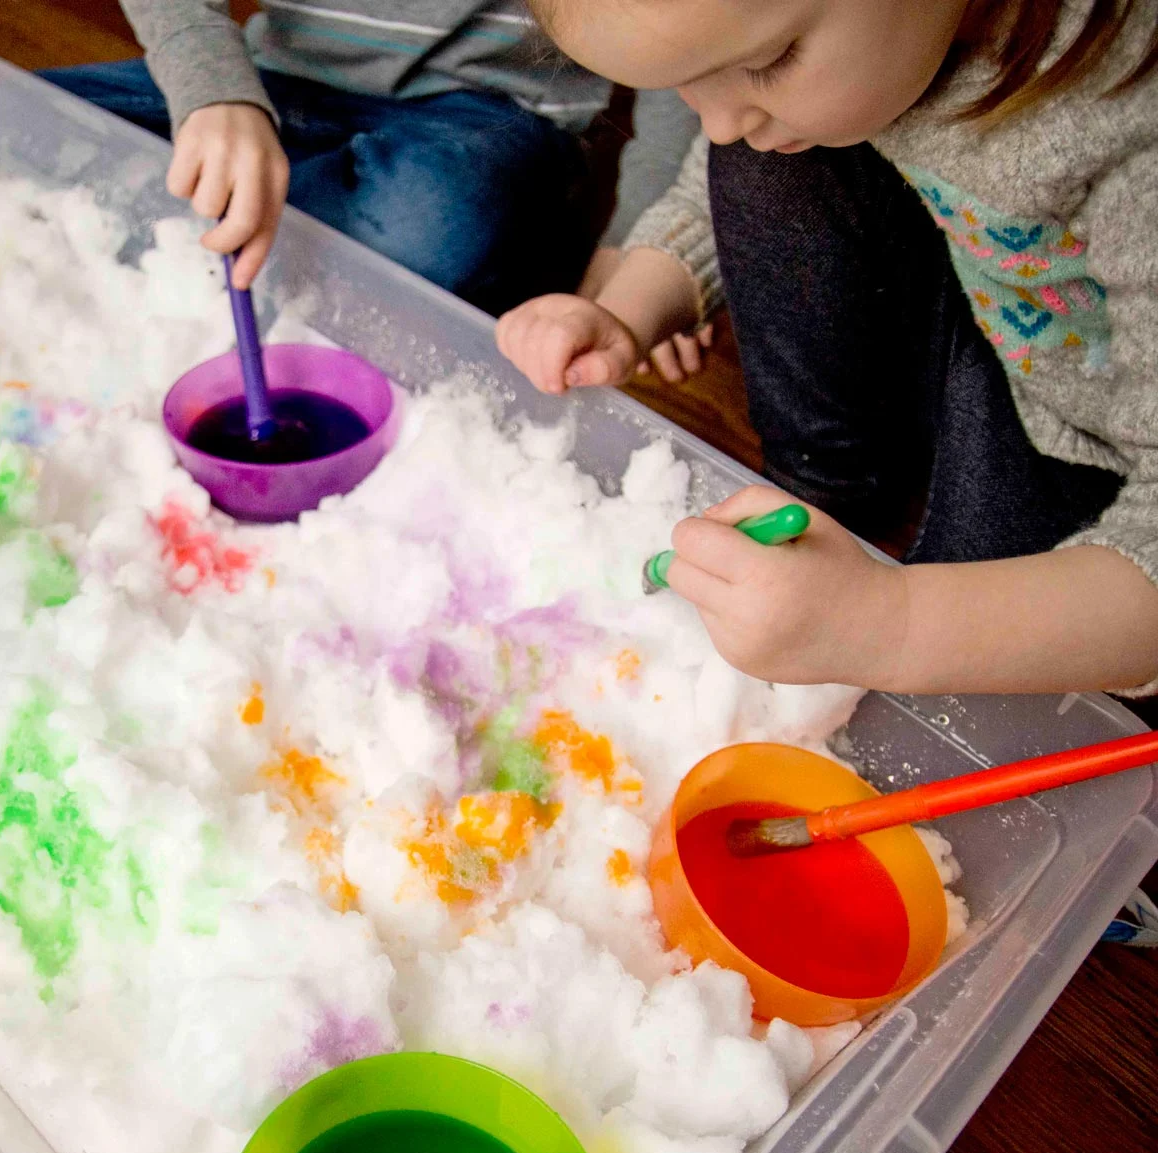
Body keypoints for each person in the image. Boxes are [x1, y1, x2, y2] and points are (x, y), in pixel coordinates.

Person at [496, 0, 1158, 699]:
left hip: (1097, 444)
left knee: (984, 671)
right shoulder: (883, 43)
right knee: (770, 149)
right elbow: (713, 164)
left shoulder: (1130, 132)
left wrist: (888, 625)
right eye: (687, 82)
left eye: (766, 63)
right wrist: (628, 310)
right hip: (1006, 313)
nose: (718, 121)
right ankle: (827, 493)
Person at [39, 0, 704, 333]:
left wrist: (636, 250)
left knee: (433, 223)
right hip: (272, 77)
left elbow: (682, 52)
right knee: (19, 119)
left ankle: (205, 225)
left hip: (489, 117)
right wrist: (212, 92)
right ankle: (277, 222)